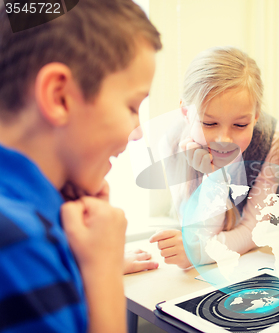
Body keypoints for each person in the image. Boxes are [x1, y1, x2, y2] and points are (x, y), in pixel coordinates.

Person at [0, 0, 161, 332]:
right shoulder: (19, 243)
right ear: (59, 96)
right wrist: (103, 268)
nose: (138, 131)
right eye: (132, 106)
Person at [149, 46, 279, 269]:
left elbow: (252, 230)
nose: (224, 139)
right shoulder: (171, 144)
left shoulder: (273, 140)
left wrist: (200, 252)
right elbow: (196, 231)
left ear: (256, 116)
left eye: (240, 125)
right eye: (209, 123)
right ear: (185, 112)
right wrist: (216, 176)